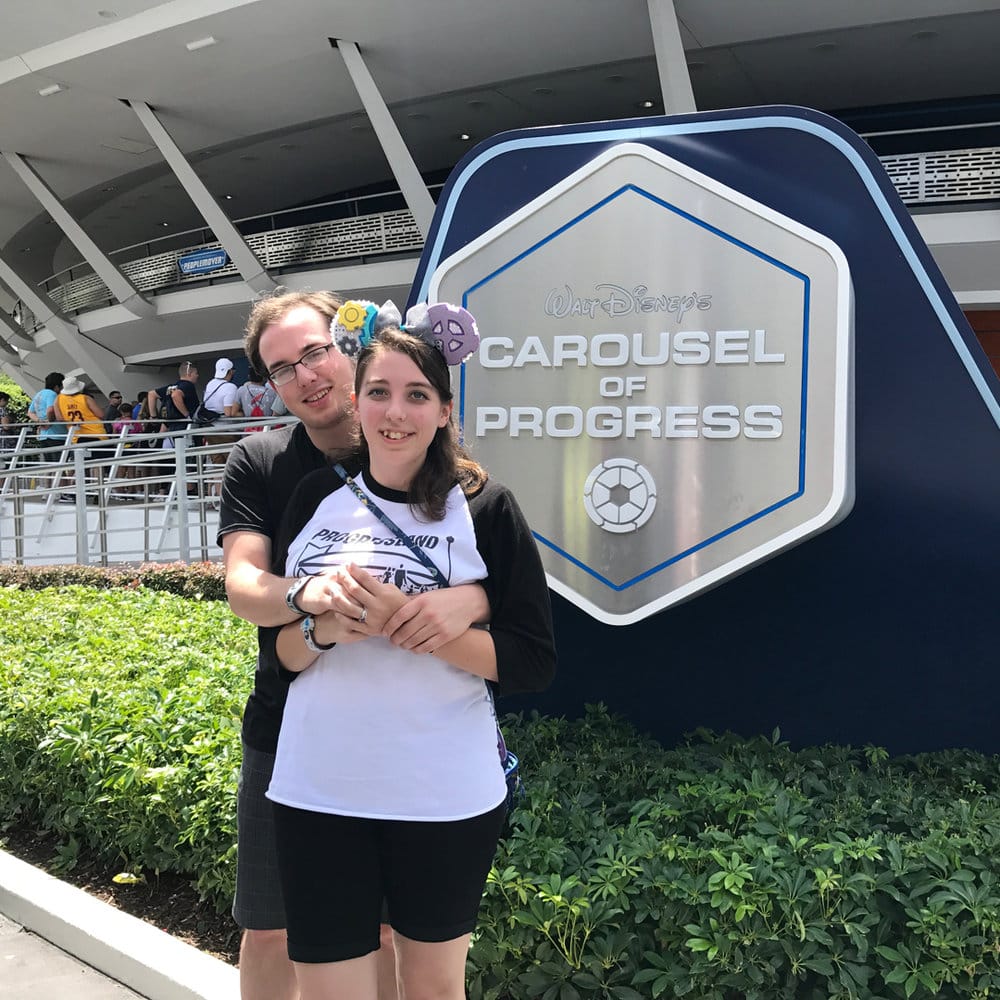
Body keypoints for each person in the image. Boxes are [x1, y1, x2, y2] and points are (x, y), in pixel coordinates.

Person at [261, 302, 556, 1000]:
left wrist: (427, 627)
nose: (397, 412)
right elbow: (280, 655)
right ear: (356, 403)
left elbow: (532, 660)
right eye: (380, 392)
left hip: (443, 795)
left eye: (417, 395)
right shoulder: (313, 495)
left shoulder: (485, 508)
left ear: (445, 411)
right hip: (318, 791)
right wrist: (321, 628)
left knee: (430, 988)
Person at [218, 290, 490, 1000]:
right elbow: (245, 584)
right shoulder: (262, 461)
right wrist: (311, 597)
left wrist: (474, 599)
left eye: (315, 352)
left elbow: (501, 569)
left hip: (411, 740)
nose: (306, 376)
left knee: (400, 936)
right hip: (291, 726)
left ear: (350, 344)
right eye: (281, 369)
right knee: (274, 928)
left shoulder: (437, 461)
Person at [54, 375, 110, 490]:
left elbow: (59, 418)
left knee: (79, 465)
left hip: (76, 435)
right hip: (96, 434)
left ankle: (75, 490)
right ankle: (98, 490)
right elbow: (100, 414)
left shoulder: (58, 399)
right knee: (97, 465)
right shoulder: (85, 398)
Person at [27, 372, 68, 497]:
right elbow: (51, 409)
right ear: (57, 386)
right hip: (57, 434)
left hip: (44, 435)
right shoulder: (52, 394)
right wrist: (50, 421)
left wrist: (40, 421)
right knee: (59, 465)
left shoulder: (39, 394)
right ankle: (62, 492)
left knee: (49, 465)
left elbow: (30, 412)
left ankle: (48, 491)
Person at [233, 366, 279, 431]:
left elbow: (233, 413)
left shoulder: (241, 390)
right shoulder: (272, 392)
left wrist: (247, 414)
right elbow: (277, 413)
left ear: (249, 377)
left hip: (248, 433)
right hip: (267, 431)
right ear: (264, 378)